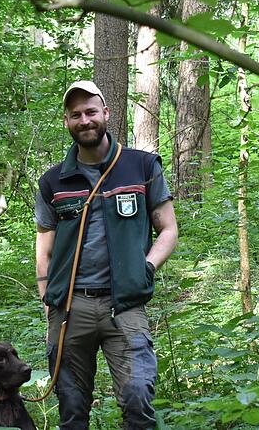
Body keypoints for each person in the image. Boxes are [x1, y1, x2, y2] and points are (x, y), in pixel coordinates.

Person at [35, 80, 178, 429]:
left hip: (125, 304)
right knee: (71, 406)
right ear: (67, 121)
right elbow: (45, 245)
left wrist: (144, 268)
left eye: (91, 112)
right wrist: (47, 299)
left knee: (138, 396)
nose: (84, 121)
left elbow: (169, 229)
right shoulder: (53, 181)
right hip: (70, 307)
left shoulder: (142, 166)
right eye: (75, 115)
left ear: (106, 114)